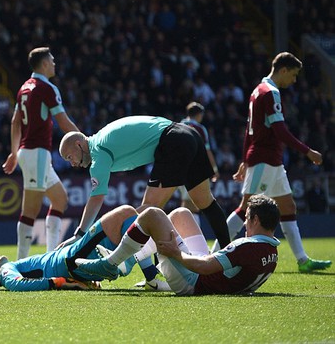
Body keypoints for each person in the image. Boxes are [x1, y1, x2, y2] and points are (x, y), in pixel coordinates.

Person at [221, 52, 330, 273]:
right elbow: (279, 130)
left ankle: (302, 260)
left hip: (271, 160)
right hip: (264, 158)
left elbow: (248, 131)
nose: (294, 80)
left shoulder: (257, 91)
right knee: (246, 208)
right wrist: (307, 151)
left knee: (288, 207)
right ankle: (213, 254)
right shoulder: (271, 92)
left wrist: (243, 160)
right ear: (282, 70)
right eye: (294, 74)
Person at [58, 115, 230, 252]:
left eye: (69, 157)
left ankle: (152, 272)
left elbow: (96, 198)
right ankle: (229, 255)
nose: (72, 163)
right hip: (189, 134)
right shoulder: (101, 138)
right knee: (205, 203)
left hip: (173, 141)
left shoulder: (98, 154)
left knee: (148, 212)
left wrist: (80, 234)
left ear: (79, 144)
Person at [75, 195, 281, 296]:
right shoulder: (272, 251)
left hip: (194, 281)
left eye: (247, 218)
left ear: (255, 220)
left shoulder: (248, 246)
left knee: (152, 215)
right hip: (208, 278)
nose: (245, 224)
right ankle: (129, 262)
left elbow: (204, 267)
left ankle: (111, 263)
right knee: (181, 215)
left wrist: (176, 253)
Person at [2, 47, 80, 259]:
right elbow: (63, 122)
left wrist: (13, 152)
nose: (54, 64)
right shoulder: (47, 88)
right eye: (52, 61)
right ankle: (20, 263)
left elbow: (15, 122)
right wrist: (84, 141)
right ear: (44, 64)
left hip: (30, 152)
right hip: (37, 152)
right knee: (31, 209)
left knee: (60, 200)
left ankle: (51, 256)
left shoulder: (24, 88)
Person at [0, 204, 144, 291]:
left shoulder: (10, 268)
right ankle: (127, 263)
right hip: (69, 261)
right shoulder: (5, 271)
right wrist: (63, 282)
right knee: (127, 213)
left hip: (69, 259)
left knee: (137, 221)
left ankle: (124, 262)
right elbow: (17, 285)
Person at [178, 102, 219, 226]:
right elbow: (207, 151)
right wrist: (214, 169)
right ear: (199, 114)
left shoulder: (178, 125)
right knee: (193, 205)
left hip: (176, 167)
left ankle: (182, 234)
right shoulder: (200, 129)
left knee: (185, 203)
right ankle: (192, 237)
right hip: (192, 169)